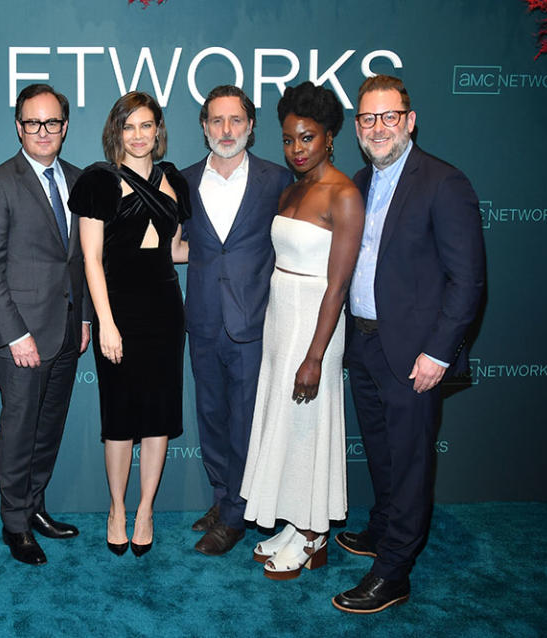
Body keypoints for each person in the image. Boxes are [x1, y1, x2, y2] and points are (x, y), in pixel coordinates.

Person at [332, 75, 485, 613]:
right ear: (357, 127)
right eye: (368, 119)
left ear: (409, 120)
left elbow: (468, 280)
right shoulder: (359, 179)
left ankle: (394, 572)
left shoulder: (444, 182)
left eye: (389, 117)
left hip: (415, 354)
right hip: (366, 344)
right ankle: (380, 529)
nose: (378, 128)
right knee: (381, 451)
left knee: (411, 459)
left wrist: (439, 352)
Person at [239, 81, 364, 580]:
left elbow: (338, 286)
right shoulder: (292, 188)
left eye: (307, 138)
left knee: (309, 424)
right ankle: (295, 523)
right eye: (289, 139)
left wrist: (314, 356)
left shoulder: (344, 194)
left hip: (317, 322)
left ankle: (314, 535)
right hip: (280, 317)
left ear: (330, 136)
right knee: (285, 421)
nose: (296, 149)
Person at [0, 83, 91, 566]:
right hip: (19, 335)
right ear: (18, 126)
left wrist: (82, 316)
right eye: (33, 122)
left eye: (53, 122)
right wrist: (14, 333)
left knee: (48, 429)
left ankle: (36, 507)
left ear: (64, 126)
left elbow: (80, 259)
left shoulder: (80, 180)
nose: (44, 131)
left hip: (64, 329)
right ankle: (14, 524)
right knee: (20, 431)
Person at [69, 92, 190, 557]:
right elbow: (91, 261)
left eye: (147, 125)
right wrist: (107, 323)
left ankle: (145, 509)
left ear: (158, 129)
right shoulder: (99, 181)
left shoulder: (172, 179)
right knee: (119, 419)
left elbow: (174, 250)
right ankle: (117, 508)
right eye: (129, 126)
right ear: (115, 131)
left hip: (164, 309)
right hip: (117, 309)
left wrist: (233, 255)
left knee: (158, 417)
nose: (138, 135)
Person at [180, 86, 293, 556]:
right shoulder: (182, 180)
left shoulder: (278, 179)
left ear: (250, 126)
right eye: (216, 121)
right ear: (204, 127)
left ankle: (235, 516)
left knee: (246, 421)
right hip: (203, 319)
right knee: (211, 417)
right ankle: (222, 496)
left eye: (236, 121)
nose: (226, 130)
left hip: (253, 321)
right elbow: (175, 243)